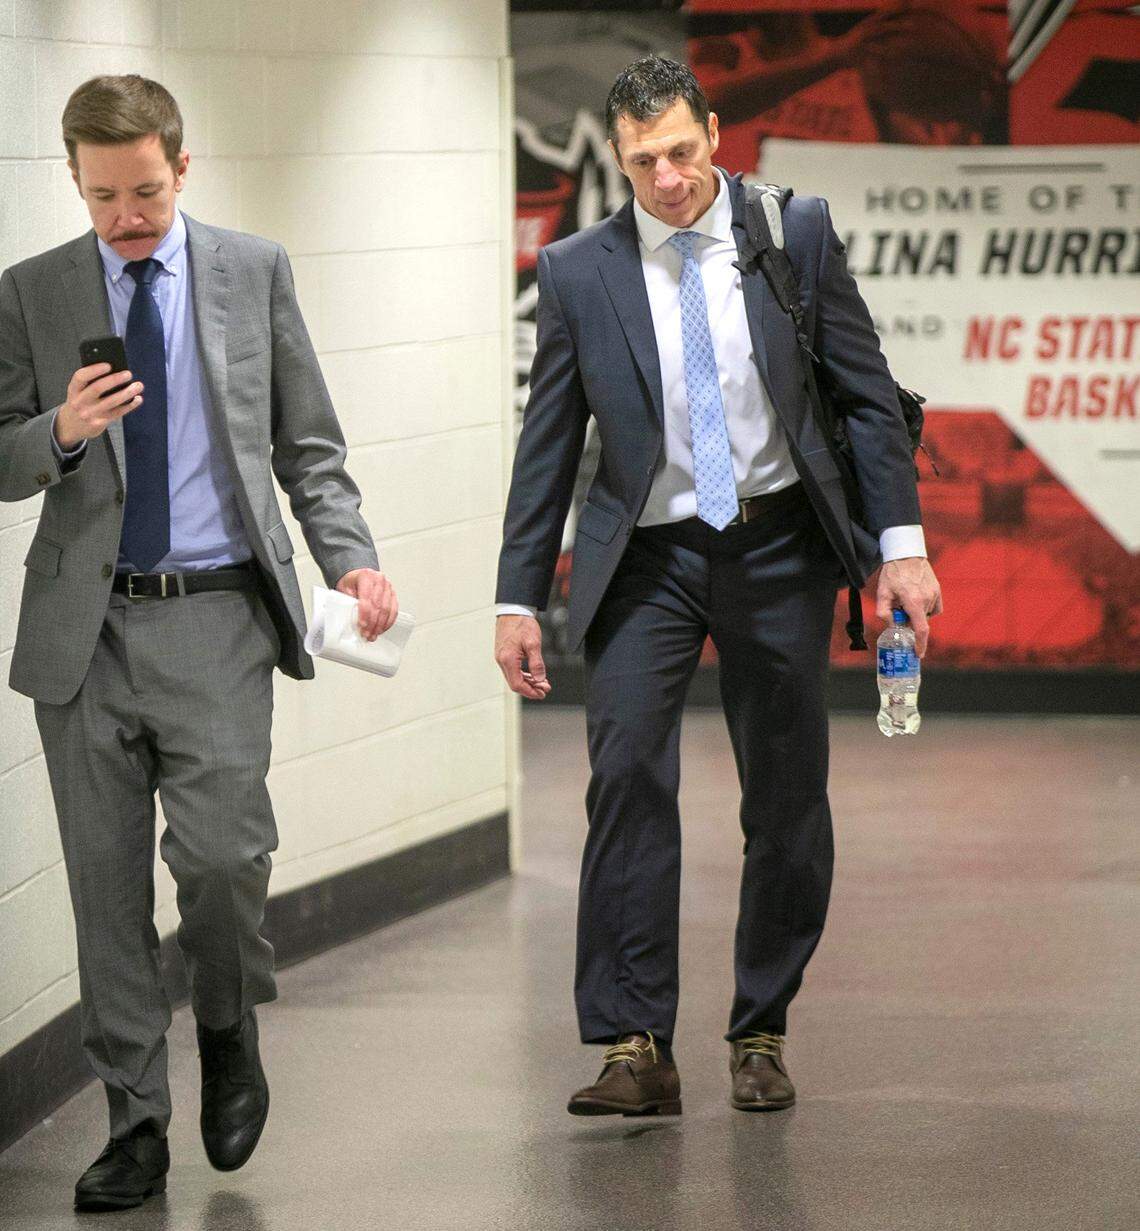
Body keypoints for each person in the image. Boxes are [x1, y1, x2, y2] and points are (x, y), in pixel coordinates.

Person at [494, 56, 941, 1117]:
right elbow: (548, 444)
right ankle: (633, 1043)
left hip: (779, 545)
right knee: (628, 782)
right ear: (619, 158)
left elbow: (867, 398)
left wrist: (903, 542)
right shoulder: (575, 271)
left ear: (716, 134)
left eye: (682, 153)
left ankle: (760, 1027)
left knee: (785, 796)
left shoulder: (795, 233)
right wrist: (517, 595)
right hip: (647, 558)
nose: (667, 178)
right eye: (643, 161)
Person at [0, 75, 398, 1209]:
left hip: (220, 613)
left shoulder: (250, 272)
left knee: (225, 863)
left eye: (145, 189)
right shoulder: (28, 295)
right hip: (86, 630)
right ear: (72, 181)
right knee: (104, 888)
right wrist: (58, 432)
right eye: (101, 195)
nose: (126, 214)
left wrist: (351, 556)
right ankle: (135, 1117)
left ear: (184, 164)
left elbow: (309, 445)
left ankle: (227, 1021)